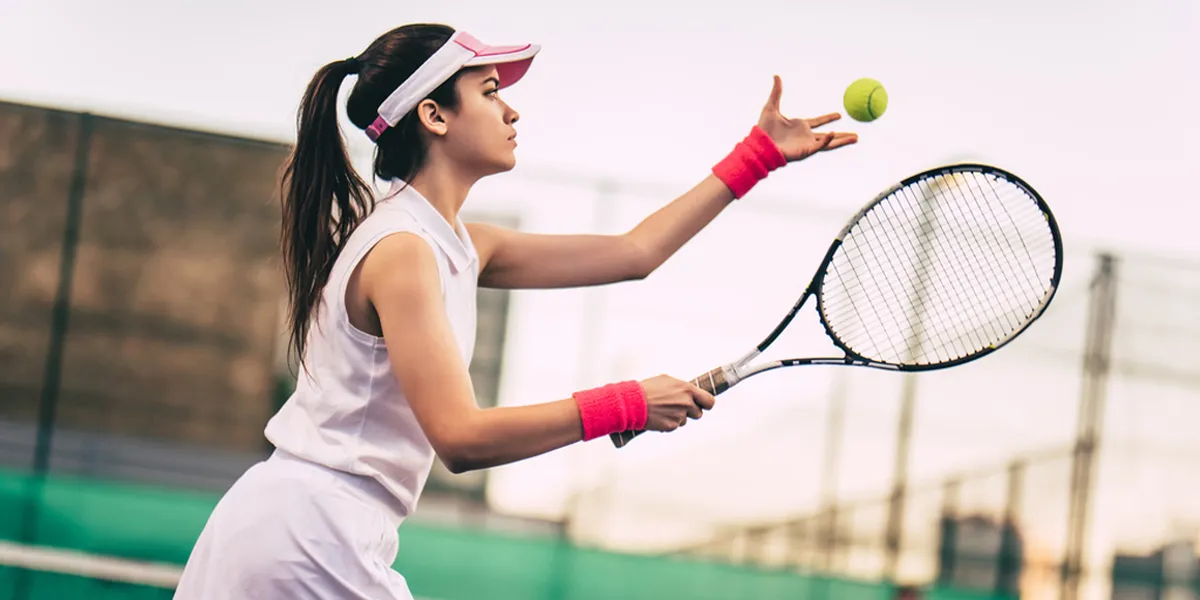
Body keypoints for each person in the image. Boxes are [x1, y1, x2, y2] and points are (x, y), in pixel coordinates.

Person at [174, 22, 857, 599]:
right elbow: (461, 437)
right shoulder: (402, 251)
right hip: (306, 536)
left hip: (309, 529)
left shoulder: (458, 244)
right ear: (434, 116)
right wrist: (626, 404)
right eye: (491, 91)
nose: (512, 112)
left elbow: (635, 252)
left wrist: (758, 156)